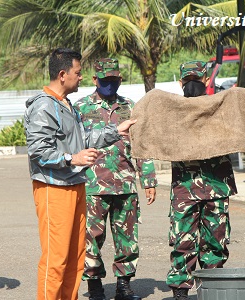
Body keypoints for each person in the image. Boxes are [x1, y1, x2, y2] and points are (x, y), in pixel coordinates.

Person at [24, 49, 136, 300]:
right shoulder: (44, 106)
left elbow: (84, 139)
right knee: (57, 258)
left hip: (75, 184)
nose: (81, 77)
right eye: (78, 72)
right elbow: (38, 151)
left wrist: (117, 130)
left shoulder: (65, 105)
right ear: (63, 75)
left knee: (76, 256)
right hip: (55, 188)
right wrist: (72, 158)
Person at [73, 58, 158, 300]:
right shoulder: (80, 108)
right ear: (94, 80)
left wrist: (148, 180)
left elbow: (142, 145)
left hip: (125, 184)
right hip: (91, 185)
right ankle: (94, 286)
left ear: (120, 80)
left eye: (113, 80)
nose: (109, 85)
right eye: (104, 80)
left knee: (127, 238)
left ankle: (124, 285)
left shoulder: (130, 107)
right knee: (90, 238)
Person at [167, 61, 237, 300]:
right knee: (182, 240)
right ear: (181, 83)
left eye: (197, 80)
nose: (192, 85)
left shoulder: (221, 107)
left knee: (216, 243)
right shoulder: (171, 112)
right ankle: (181, 292)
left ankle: (212, 290)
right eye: (189, 81)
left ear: (207, 81)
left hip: (216, 186)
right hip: (185, 188)